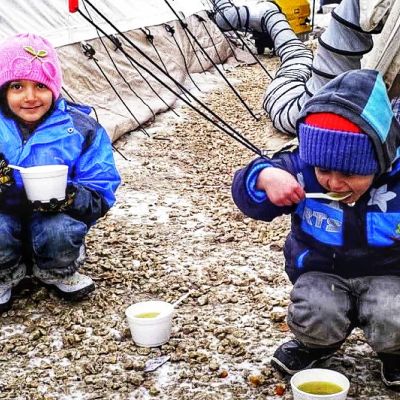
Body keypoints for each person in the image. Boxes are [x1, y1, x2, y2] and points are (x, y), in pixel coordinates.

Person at [231, 69, 400, 389]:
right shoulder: (302, 168)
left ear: (379, 162)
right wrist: (265, 177)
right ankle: (316, 346)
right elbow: (248, 194)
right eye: (323, 170)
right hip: (323, 272)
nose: (334, 183)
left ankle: (395, 352)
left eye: (350, 173)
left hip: (389, 275)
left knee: (394, 311)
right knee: (315, 308)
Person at [0, 33, 121, 311]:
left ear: (54, 89)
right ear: (3, 90)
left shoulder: (80, 129)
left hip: (52, 219)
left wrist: (71, 196)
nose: (30, 97)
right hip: (4, 216)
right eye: (17, 86)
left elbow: (101, 188)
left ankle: (57, 269)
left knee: (58, 229)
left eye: (41, 85)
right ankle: (5, 272)